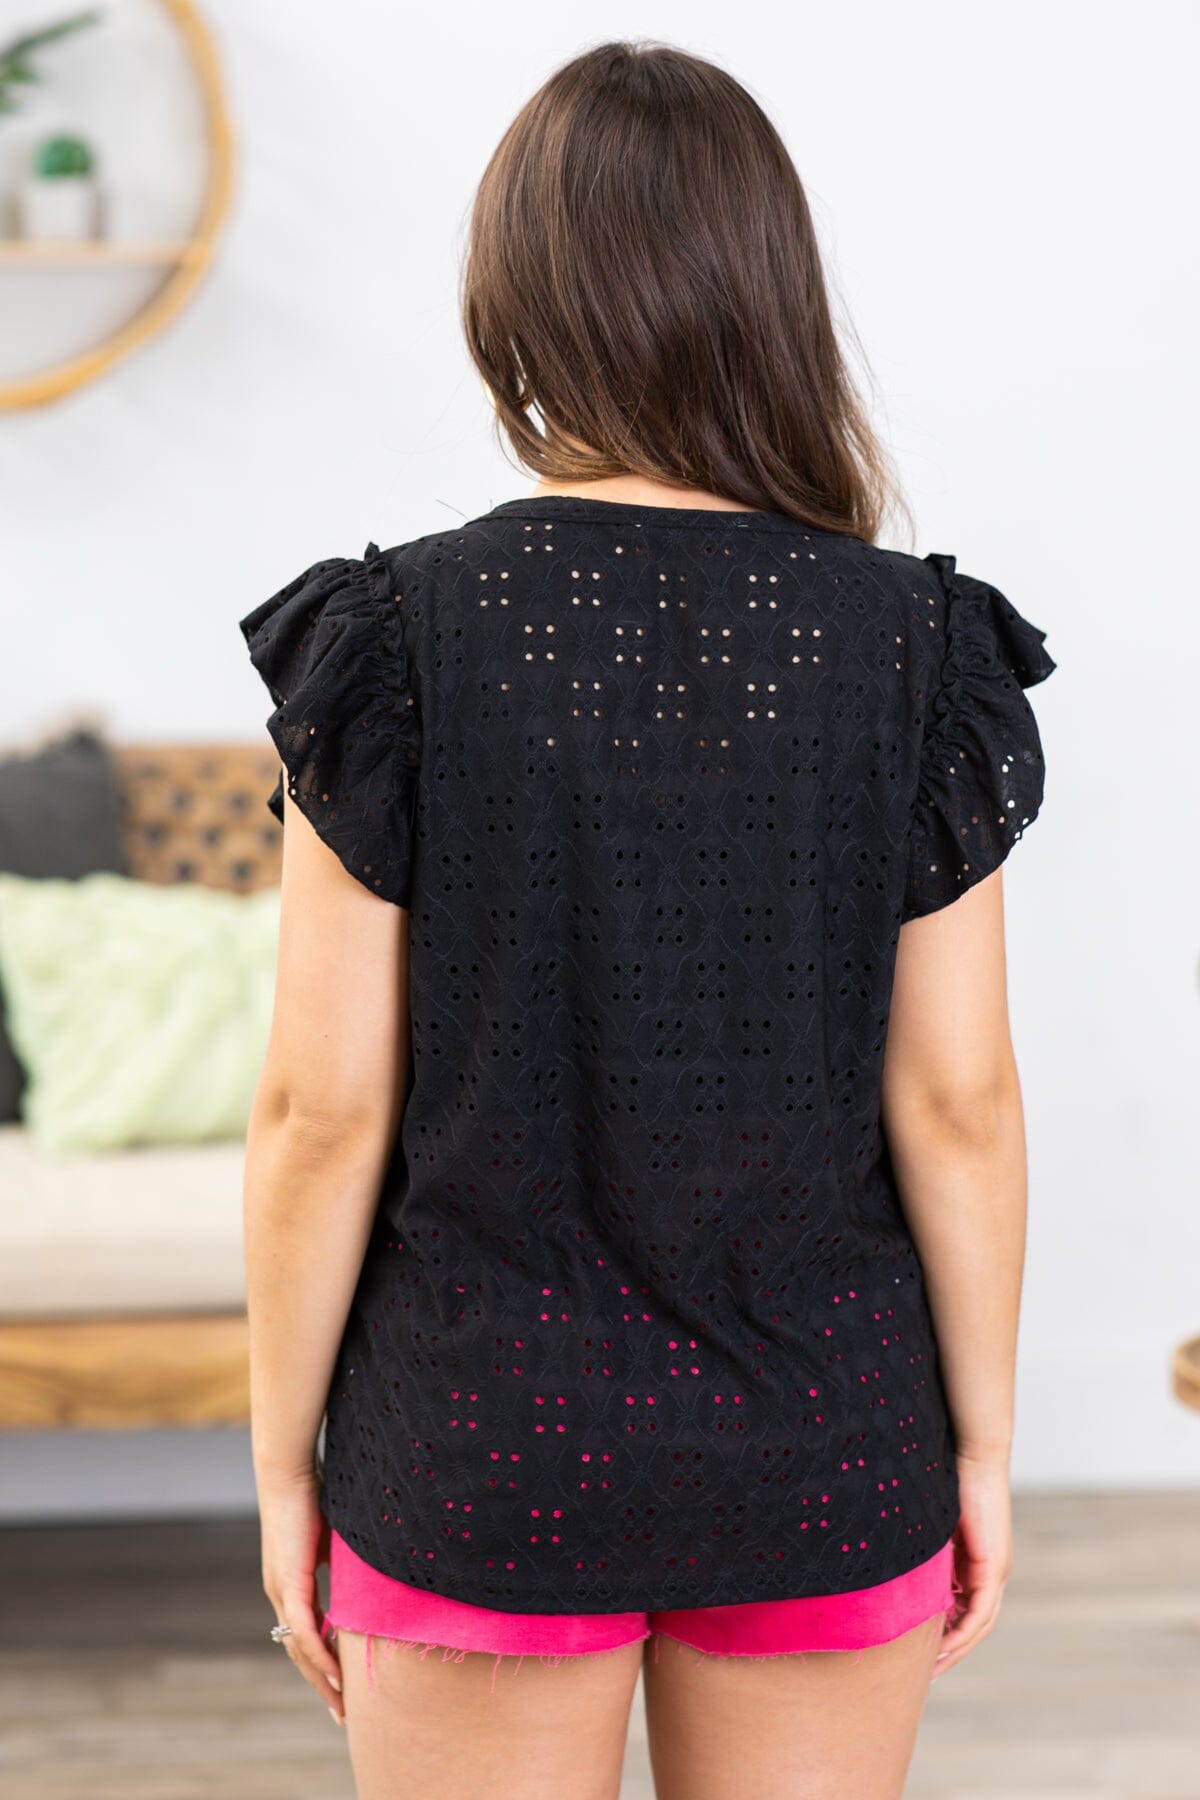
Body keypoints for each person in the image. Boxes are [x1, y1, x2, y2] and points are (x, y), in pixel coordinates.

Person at [238, 38, 1057, 1800]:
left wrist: (282, 1465)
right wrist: (985, 1449)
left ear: (513, 300)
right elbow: (958, 1103)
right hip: (825, 1445)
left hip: (478, 1448)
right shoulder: (917, 647)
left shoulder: (396, 640)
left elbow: (318, 1112)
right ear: (770, 296)